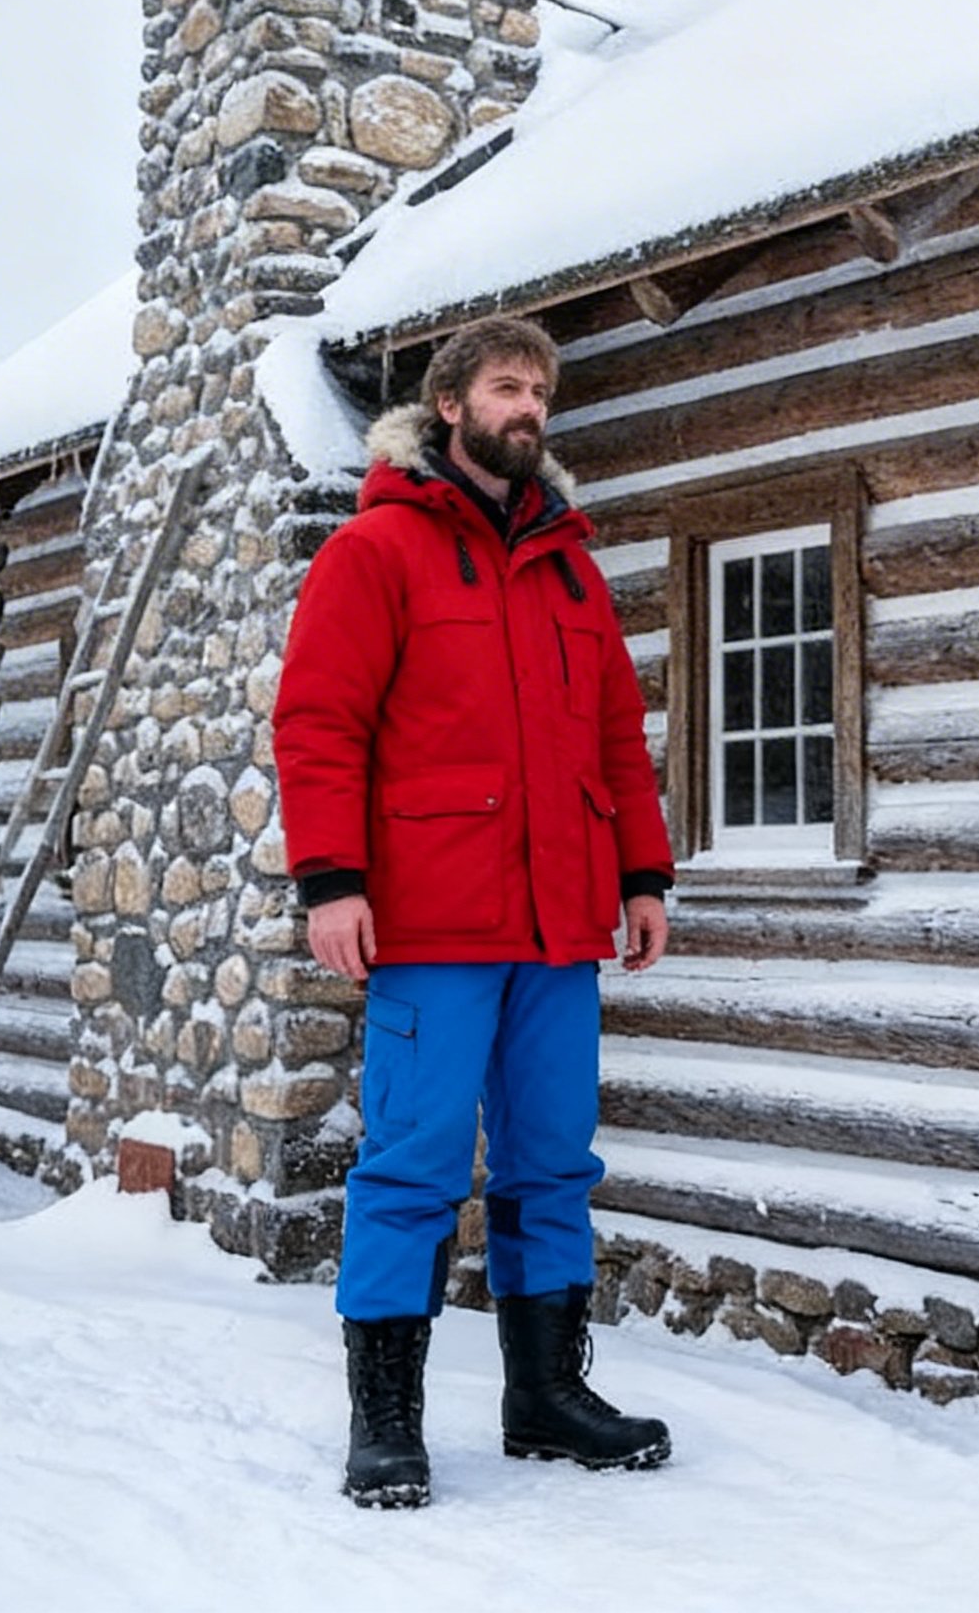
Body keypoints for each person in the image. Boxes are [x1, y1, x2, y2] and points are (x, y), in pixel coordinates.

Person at [273, 315, 675, 1508]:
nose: (530, 408)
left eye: (541, 392)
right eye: (509, 387)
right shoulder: (377, 551)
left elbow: (616, 738)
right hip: (431, 925)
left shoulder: (570, 569)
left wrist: (641, 879)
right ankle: (386, 1422)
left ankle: (544, 1398)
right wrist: (331, 880)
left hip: (560, 929)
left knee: (553, 1166)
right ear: (450, 405)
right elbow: (319, 723)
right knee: (412, 1168)